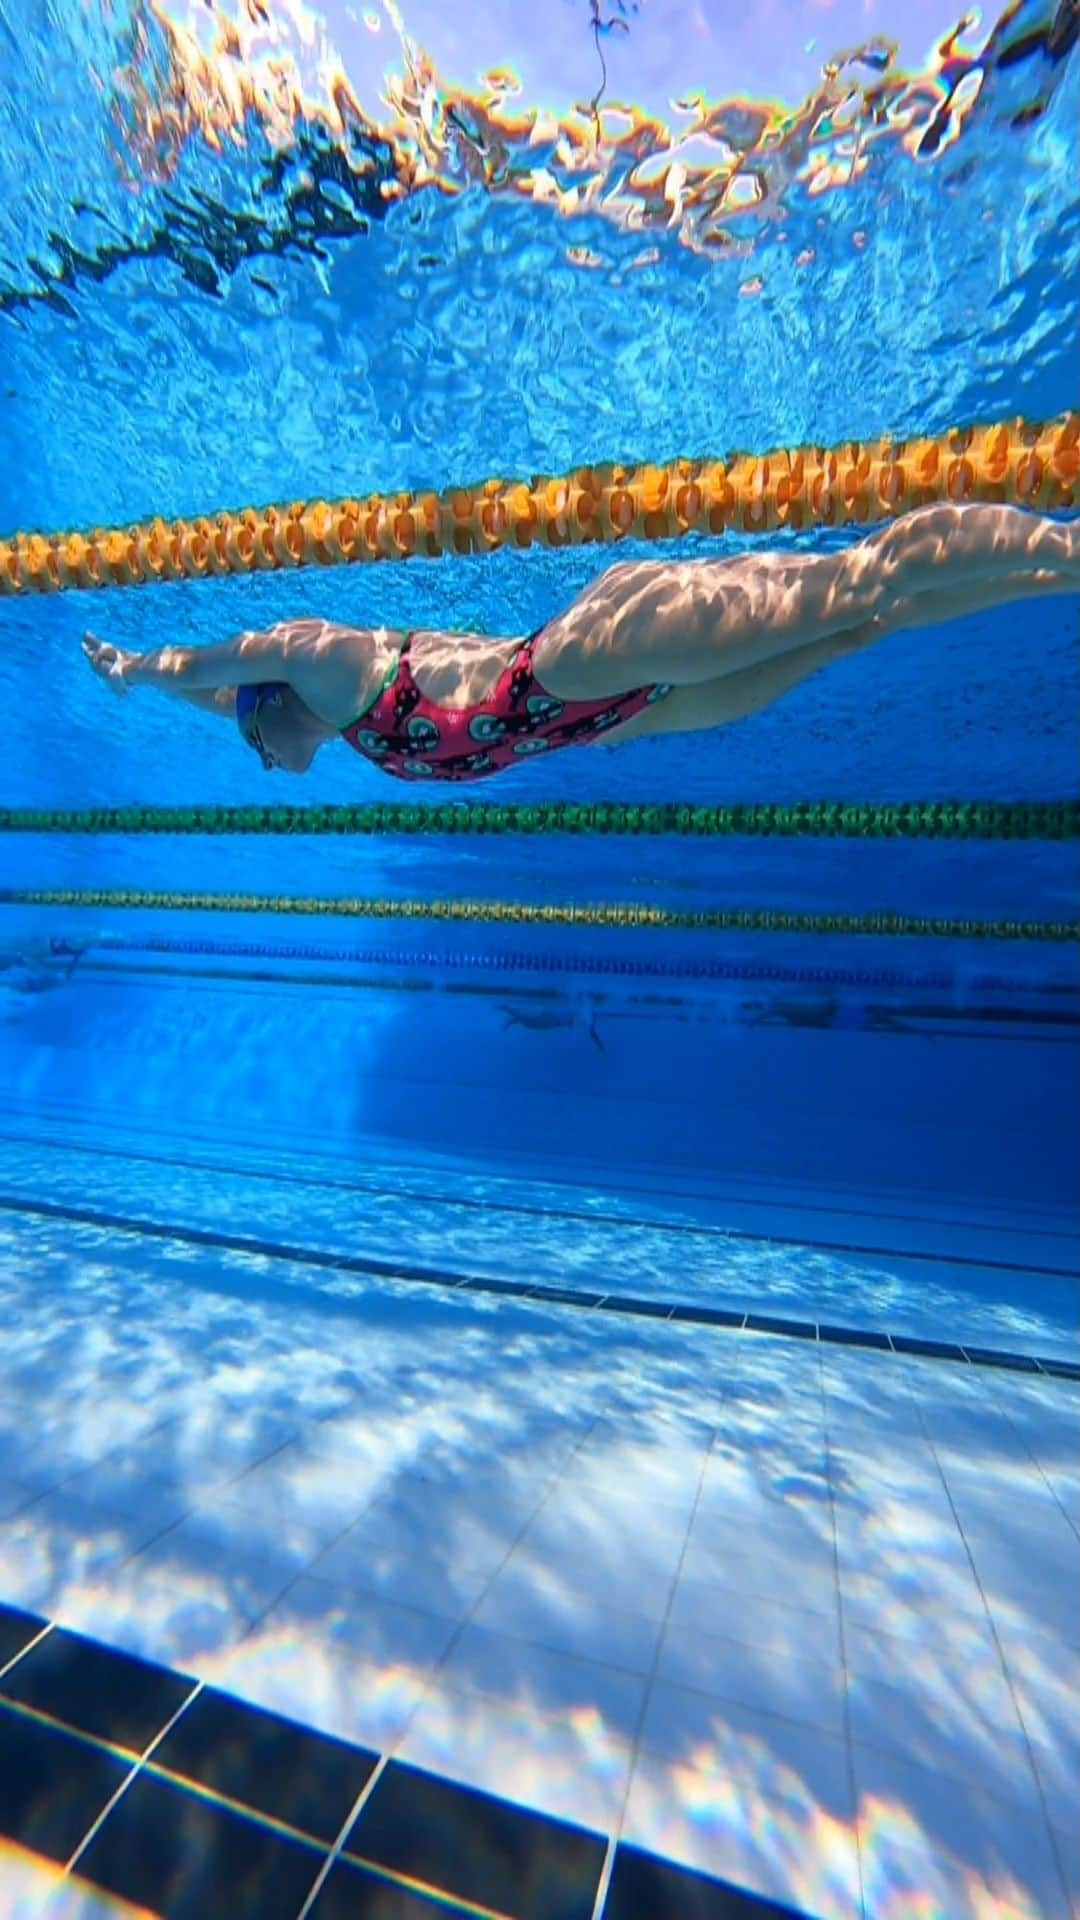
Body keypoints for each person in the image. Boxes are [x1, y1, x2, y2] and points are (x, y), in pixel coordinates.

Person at [82, 502, 1078, 782]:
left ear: (271, 710)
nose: (257, 758)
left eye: (254, 740)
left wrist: (135, 668)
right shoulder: (336, 730)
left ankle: (1065, 543)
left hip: (585, 655)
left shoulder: (324, 667)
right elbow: (219, 699)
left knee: (865, 578)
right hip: (624, 714)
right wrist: (155, 690)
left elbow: (217, 670)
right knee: (866, 626)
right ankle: (1061, 573)